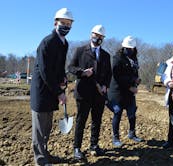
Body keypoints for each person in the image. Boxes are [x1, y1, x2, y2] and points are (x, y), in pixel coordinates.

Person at [30, 8, 73, 165]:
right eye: (63, 23)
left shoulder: (64, 43)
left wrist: (63, 79)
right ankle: (40, 159)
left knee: (47, 127)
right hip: (42, 90)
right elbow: (45, 71)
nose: (66, 26)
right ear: (56, 22)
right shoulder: (47, 42)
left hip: (52, 89)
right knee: (40, 129)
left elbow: (59, 66)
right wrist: (59, 92)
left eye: (69, 24)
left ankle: (45, 154)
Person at [68, 25, 112, 159]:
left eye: (100, 36)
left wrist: (105, 86)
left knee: (96, 121)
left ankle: (94, 145)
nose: (97, 38)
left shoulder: (106, 55)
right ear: (90, 35)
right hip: (83, 93)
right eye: (95, 35)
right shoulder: (80, 50)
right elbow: (70, 67)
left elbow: (109, 74)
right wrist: (82, 72)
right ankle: (77, 148)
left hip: (99, 94)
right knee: (81, 121)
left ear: (103, 38)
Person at [107, 36, 142, 147]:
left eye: (131, 48)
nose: (129, 50)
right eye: (127, 48)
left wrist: (136, 82)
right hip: (118, 92)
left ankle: (132, 133)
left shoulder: (134, 59)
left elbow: (135, 73)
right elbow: (117, 76)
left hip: (130, 92)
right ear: (123, 47)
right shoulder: (117, 58)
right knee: (118, 113)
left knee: (132, 113)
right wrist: (130, 85)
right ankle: (116, 138)